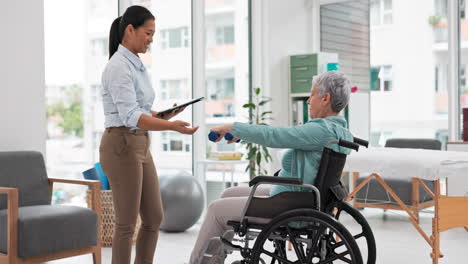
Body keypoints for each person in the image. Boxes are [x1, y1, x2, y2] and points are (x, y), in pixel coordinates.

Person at [189, 71, 354, 264]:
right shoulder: (339, 131)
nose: (308, 101)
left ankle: (196, 262)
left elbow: (274, 135)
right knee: (228, 193)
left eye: (312, 94)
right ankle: (213, 259)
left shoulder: (321, 130)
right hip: (303, 196)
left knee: (216, 210)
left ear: (325, 98)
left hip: (292, 203)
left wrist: (232, 127)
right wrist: (242, 134)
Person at [99, 5, 198, 264]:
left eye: (153, 34)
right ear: (130, 30)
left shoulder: (136, 65)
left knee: (154, 217)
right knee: (126, 224)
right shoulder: (118, 66)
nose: (151, 39)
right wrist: (171, 128)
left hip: (140, 143)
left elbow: (140, 109)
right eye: (148, 33)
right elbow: (130, 116)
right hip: (121, 144)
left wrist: (165, 115)